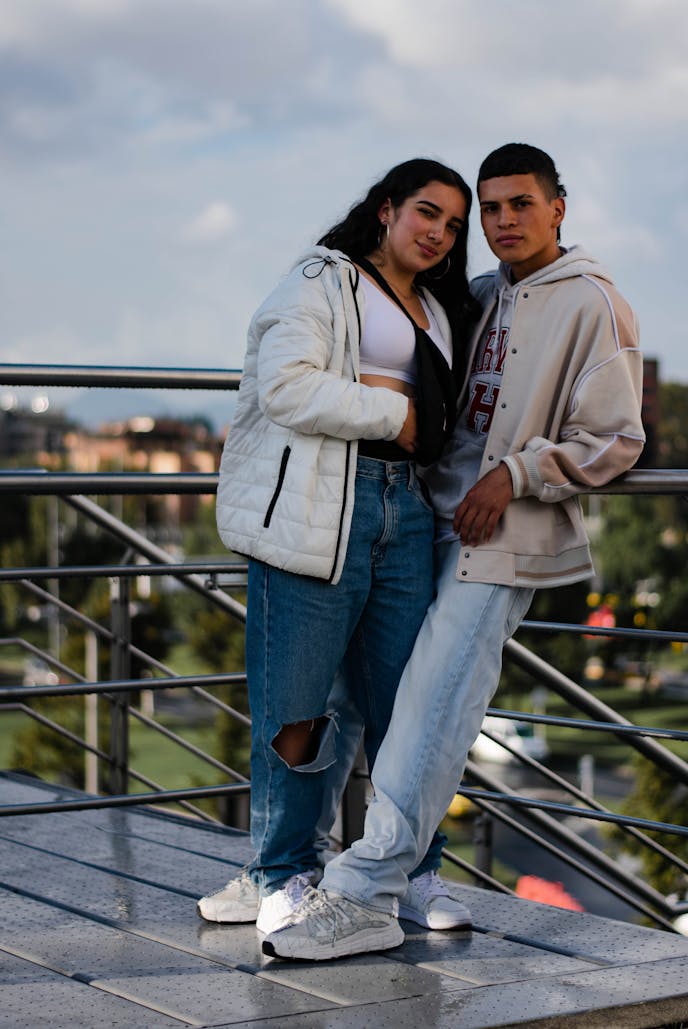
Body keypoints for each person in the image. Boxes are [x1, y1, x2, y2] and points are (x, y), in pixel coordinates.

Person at [261, 142, 646, 961]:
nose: (504, 221)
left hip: (502, 535)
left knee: (435, 706)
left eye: (520, 204)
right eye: (493, 208)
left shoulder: (593, 303)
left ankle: (365, 893)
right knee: (372, 697)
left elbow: (616, 438)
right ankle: (297, 871)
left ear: (558, 208)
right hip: (423, 519)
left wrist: (515, 474)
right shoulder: (473, 295)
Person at [198, 158, 479, 937]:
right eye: (427, 212)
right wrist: (396, 414)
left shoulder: (438, 306)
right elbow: (284, 384)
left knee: (405, 708)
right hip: (320, 512)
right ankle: (283, 870)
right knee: (296, 710)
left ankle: (411, 870)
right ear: (386, 209)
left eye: (454, 225)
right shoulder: (320, 280)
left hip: (409, 513)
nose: (440, 233)